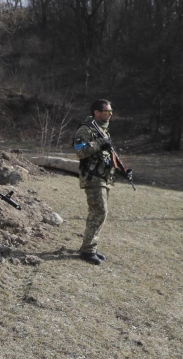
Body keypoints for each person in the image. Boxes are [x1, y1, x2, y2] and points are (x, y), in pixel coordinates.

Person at [73, 99, 116, 265]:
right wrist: (100, 143)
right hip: (92, 177)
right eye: (106, 112)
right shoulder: (86, 130)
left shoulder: (104, 131)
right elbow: (80, 151)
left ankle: (91, 247)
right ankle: (87, 250)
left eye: (111, 112)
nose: (110, 115)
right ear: (96, 112)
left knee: (99, 213)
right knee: (99, 212)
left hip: (104, 177)